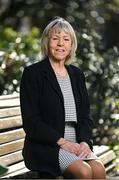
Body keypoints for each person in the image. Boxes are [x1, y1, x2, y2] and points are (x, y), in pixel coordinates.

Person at [20, 17, 106, 179]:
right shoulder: (33, 74)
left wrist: (85, 143)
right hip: (48, 146)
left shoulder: (77, 75)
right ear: (46, 42)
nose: (61, 43)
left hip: (77, 144)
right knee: (84, 171)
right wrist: (63, 142)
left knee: (99, 169)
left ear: (71, 45)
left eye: (66, 39)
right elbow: (31, 121)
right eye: (55, 38)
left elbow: (86, 117)